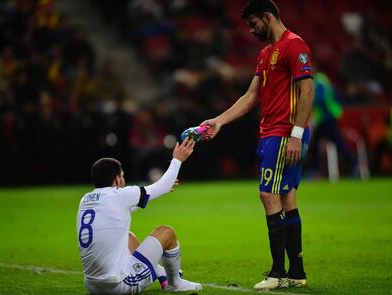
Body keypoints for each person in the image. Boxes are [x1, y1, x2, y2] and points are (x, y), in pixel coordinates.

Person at [202, 0, 314, 290]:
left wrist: (296, 135)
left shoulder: (295, 46)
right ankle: (296, 272)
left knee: (268, 195)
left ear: (267, 17)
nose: (251, 30)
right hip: (273, 133)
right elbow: (252, 96)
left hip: (283, 133)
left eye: (253, 24)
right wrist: (220, 120)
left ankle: (277, 273)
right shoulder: (266, 53)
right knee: (286, 196)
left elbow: (307, 90)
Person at [76, 137, 202, 294]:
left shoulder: (86, 200)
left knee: (127, 237)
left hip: (92, 287)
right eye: (122, 175)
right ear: (116, 179)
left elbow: (124, 209)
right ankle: (174, 283)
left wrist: (154, 192)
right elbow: (162, 186)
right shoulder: (119, 196)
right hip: (118, 286)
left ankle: (160, 273)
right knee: (166, 232)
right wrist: (177, 159)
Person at [307, 68, 357, 178]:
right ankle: (314, 172)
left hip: (328, 118)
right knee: (317, 146)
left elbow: (321, 99)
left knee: (338, 144)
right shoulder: (319, 79)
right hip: (323, 119)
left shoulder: (319, 80)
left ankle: (354, 166)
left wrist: (309, 102)